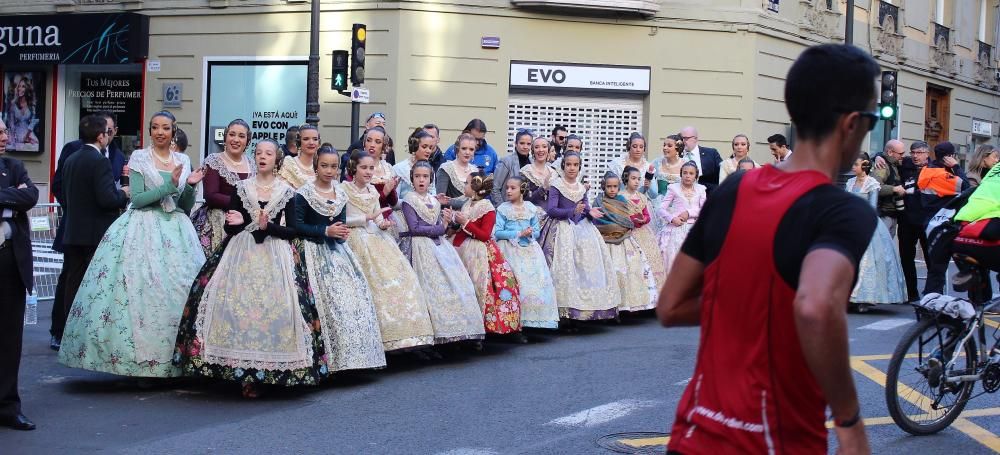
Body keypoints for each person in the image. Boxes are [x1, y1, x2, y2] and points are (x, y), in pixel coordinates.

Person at [657, 43, 877, 454]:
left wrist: (751, 307)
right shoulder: (843, 211)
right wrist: (848, 421)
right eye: (874, 118)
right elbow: (815, 308)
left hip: (693, 434)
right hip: (776, 440)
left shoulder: (735, 189)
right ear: (852, 124)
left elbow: (670, 307)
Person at [60, 110, 206, 379]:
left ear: (174, 131)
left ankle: (178, 359)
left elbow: (183, 207)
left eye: (165, 128)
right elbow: (137, 199)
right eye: (154, 127)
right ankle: (144, 365)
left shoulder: (183, 159)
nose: (160, 132)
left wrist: (189, 187)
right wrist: (169, 185)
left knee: (179, 293)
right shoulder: (140, 157)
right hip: (144, 228)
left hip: (177, 232)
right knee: (143, 295)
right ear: (150, 131)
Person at [174, 139, 325, 398]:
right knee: (230, 305)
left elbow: (292, 231)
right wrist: (240, 222)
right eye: (258, 153)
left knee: (280, 309)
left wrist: (269, 227)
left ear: (277, 159)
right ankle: (241, 373)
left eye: (268, 153)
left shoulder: (287, 191)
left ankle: (275, 370)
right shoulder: (241, 188)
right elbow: (232, 226)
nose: (262, 157)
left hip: (276, 255)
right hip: (240, 251)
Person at [293, 148, 386, 372]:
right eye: (324, 165)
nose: (329, 170)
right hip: (311, 250)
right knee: (323, 303)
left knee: (351, 299)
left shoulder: (340, 193)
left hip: (337, 252)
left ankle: (353, 359)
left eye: (333, 166)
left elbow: (342, 223)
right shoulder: (304, 193)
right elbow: (297, 226)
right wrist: (325, 230)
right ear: (316, 166)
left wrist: (341, 233)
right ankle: (327, 360)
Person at [342, 151, 435, 353]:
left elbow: (377, 217)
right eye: (363, 168)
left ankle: (407, 336)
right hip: (354, 238)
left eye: (370, 168)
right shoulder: (343, 189)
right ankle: (378, 340)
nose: (368, 172)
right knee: (373, 283)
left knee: (402, 278)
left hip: (377, 238)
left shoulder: (373, 191)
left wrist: (382, 223)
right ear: (353, 169)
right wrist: (366, 218)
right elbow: (340, 219)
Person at [49, 111, 127, 350]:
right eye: (108, 131)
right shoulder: (97, 160)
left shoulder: (76, 157)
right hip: (94, 233)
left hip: (75, 230)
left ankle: (71, 335)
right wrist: (123, 194)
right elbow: (106, 199)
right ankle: (83, 336)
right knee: (93, 285)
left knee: (74, 283)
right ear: (101, 135)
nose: (111, 135)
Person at [399, 161, 486, 346]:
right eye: (417, 176)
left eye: (425, 176)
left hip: (439, 247)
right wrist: (441, 227)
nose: (421, 180)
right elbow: (415, 228)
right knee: (427, 289)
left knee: (455, 284)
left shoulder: (434, 200)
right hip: (419, 247)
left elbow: (442, 227)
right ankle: (430, 336)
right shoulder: (409, 199)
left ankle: (458, 332)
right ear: (412, 178)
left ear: (430, 179)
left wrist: (448, 224)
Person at [544, 152, 620, 322]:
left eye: (575, 165)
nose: (572, 168)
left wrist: (589, 211)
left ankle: (587, 309)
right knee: (566, 267)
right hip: (563, 228)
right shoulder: (556, 185)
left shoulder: (580, 186)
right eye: (569, 164)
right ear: (563, 166)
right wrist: (572, 211)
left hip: (583, 228)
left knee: (588, 266)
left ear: (579, 167)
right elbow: (551, 209)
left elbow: (584, 206)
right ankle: (566, 313)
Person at [0, 118, 39, 431]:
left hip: (10, 261)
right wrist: (13, 195)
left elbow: (31, 197)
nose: (4, 136)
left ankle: (8, 406)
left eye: (4, 130)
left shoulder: (14, 166)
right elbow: (20, 197)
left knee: (10, 337)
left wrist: (8, 195)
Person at [453, 172, 524, 339]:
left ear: (476, 187)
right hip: (463, 249)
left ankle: (485, 326)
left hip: (479, 252)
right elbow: (462, 229)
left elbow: (485, 235)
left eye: (467, 183)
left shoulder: (487, 207)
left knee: (482, 285)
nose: (465, 186)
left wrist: (466, 223)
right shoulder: (467, 204)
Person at [494, 176, 559, 329]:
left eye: (513, 188)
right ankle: (515, 320)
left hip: (530, 250)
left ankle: (535, 319)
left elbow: (536, 232)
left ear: (522, 189)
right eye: (507, 188)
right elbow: (498, 232)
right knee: (516, 282)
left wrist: (530, 233)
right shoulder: (503, 208)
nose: (508, 191)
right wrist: (518, 233)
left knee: (536, 282)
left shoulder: (530, 208)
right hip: (510, 249)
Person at [846, 154, 907, 309]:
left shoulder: (872, 183)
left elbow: (872, 207)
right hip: (850, 222)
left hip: (867, 222)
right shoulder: (850, 182)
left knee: (869, 261)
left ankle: (866, 297)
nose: (853, 167)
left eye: (856, 164)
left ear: (864, 166)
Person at [191, 119, 256, 258]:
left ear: (247, 141)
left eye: (241, 136)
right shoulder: (214, 160)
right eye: (232, 134)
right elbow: (211, 196)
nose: (236, 139)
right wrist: (243, 203)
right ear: (225, 137)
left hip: (245, 220)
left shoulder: (252, 163)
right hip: (218, 221)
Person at [592, 171, 655, 313]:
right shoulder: (599, 200)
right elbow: (597, 220)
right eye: (609, 187)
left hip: (623, 240)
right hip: (605, 239)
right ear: (604, 187)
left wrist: (624, 225)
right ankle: (608, 307)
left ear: (618, 186)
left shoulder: (621, 200)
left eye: (615, 186)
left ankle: (624, 305)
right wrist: (609, 227)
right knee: (610, 271)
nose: (612, 189)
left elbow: (625, 219)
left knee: (629, 268)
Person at [918, 141, 970, 296]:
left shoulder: (927, 171)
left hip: (931, 222)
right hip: (944, 224)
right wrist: (957, 167)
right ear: (950, 157)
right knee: (944, 265)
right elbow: (967, 187)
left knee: (936, 266)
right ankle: (933, 298)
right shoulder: (942, 175)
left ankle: (932, 297)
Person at [620, 166, 666, 295]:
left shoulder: (641, 196)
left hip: (644, 232)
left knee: (651, 260)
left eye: (638, 179)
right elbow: (620, 215)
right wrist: (633, 220)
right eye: (633, 178)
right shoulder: (621, 196)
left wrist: (643, 219)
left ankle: (652, 296)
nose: (636, 181)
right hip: (628, 232)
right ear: (626, 179)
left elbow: (647, 215)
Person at [656, 161, 706, 276]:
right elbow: (661, 209)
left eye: (691, 173)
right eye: (685, 173)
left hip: (694, 229)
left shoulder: (701, 189)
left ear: (696, 176)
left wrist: (689, 213)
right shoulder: (673, 188)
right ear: (681, 174)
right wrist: (672, 218)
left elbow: (705, 210)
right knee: (673, 259)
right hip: (676, 228)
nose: (688, 176)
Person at [522, 136, 560, 260]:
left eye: (544, 146)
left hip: (551, 220)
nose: (541, 150)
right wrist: (542, 189)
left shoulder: (554, 173)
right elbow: (522, 198)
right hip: (531, 219)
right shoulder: (525, 172)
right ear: (532, 151)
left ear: (548, 151)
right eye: (537, 147)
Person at [871, 139, 906, 237]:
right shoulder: (882, 166)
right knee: (883, 247)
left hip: (892, 214)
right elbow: (875, 187)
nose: (903, 156)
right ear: (890, 152)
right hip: (884, 215)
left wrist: (877, 155)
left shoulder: (894, 163)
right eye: (901, 153)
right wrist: (894, 189)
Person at [437, 133, 478, 210]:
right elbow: (440, 200)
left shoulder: (475, 170)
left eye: (471, 149)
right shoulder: (446, 168)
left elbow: (478, 199)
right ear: (457, 149)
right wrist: (467, 205)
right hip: (450, 216)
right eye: (464, 148)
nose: (467, 152)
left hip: (472, 217)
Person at [608, 133, 656, 198]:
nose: (638, 150)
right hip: (619, 202)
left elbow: (654, 195)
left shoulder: (648, 167)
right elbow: (608, 186)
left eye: (641, 147)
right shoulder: (617, 164)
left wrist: (649, 186)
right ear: (629, 146)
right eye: (635, 146)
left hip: (640, 203)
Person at [491, 129, 532, 205]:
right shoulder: (506, 161)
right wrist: (502, 208)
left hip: (526, 208)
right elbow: (495, 188)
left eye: (528, 144)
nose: (525, 146)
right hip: (507, 207)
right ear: (516, 144)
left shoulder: (532, 162)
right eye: (522, 143)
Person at [679, 126, 723, 193]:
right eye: (681, 138)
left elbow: (722, 174)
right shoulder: (677, 155)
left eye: (686, 138)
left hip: (707, 195)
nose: (683, 141)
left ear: (695, 139)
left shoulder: (711, 154)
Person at [278, 123, 319, 189]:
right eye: (306, 139)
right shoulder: (289, 164)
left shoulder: (321, 164)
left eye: (315, 139)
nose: (311, 143)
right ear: (299, 142)